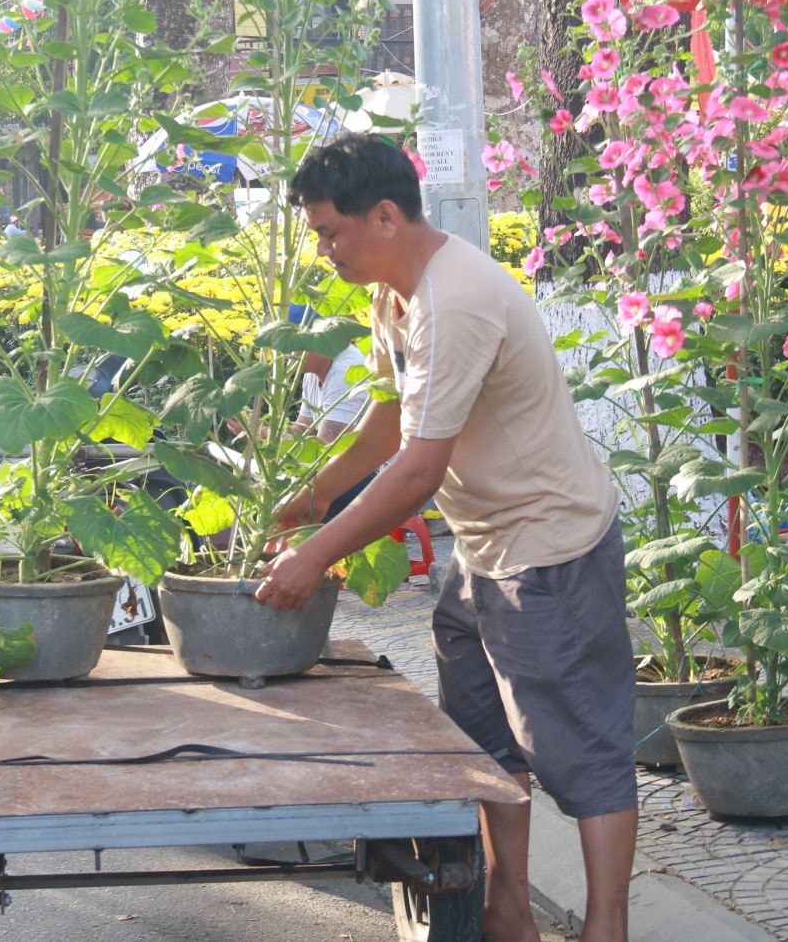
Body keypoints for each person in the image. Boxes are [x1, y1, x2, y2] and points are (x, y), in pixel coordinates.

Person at [255, 134, 634, 942]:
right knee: (487, 737)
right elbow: (385, 429)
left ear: (385, 215)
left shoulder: (456, 299)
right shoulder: (394, 293)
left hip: (549, 550)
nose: (324, 250)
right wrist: (302, 505)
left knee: (580, 751)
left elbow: (418, 470)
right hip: (484, 545)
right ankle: (509, 907)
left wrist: (318, 554)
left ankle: (607, 928)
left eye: (330, 232)